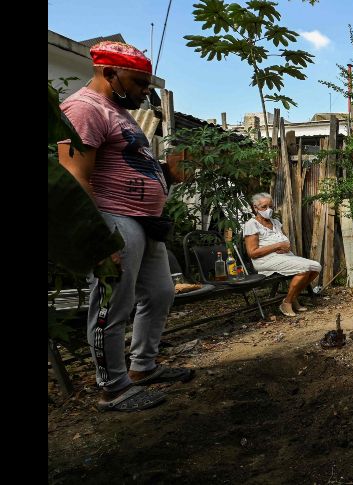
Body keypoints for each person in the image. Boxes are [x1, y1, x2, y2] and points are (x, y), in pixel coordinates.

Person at [58, 41, 194, 412]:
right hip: (114, 219)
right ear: (108, 72)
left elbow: (125, 164)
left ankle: (142, 368)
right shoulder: (84, 108)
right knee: (113, 304)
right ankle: (113, 388)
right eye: (138, 82)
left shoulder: (118, 111)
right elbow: (74, 177)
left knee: (161, 293)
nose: (144, 90)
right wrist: (100, 239)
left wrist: (168, 173)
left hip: (145, 222)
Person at [243, 193, 321, 317]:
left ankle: (293, 296)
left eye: (270, 206)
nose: (268, 210)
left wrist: (286, 246)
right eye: (264, 206)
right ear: (255, 207)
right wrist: (278, 246)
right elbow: (252, 253)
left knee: (316, 267)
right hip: (265, 260)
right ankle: (287, 302)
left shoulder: (276, 222)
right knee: (304, 268)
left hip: (284, 257)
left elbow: (285, 241)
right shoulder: (252, 224)